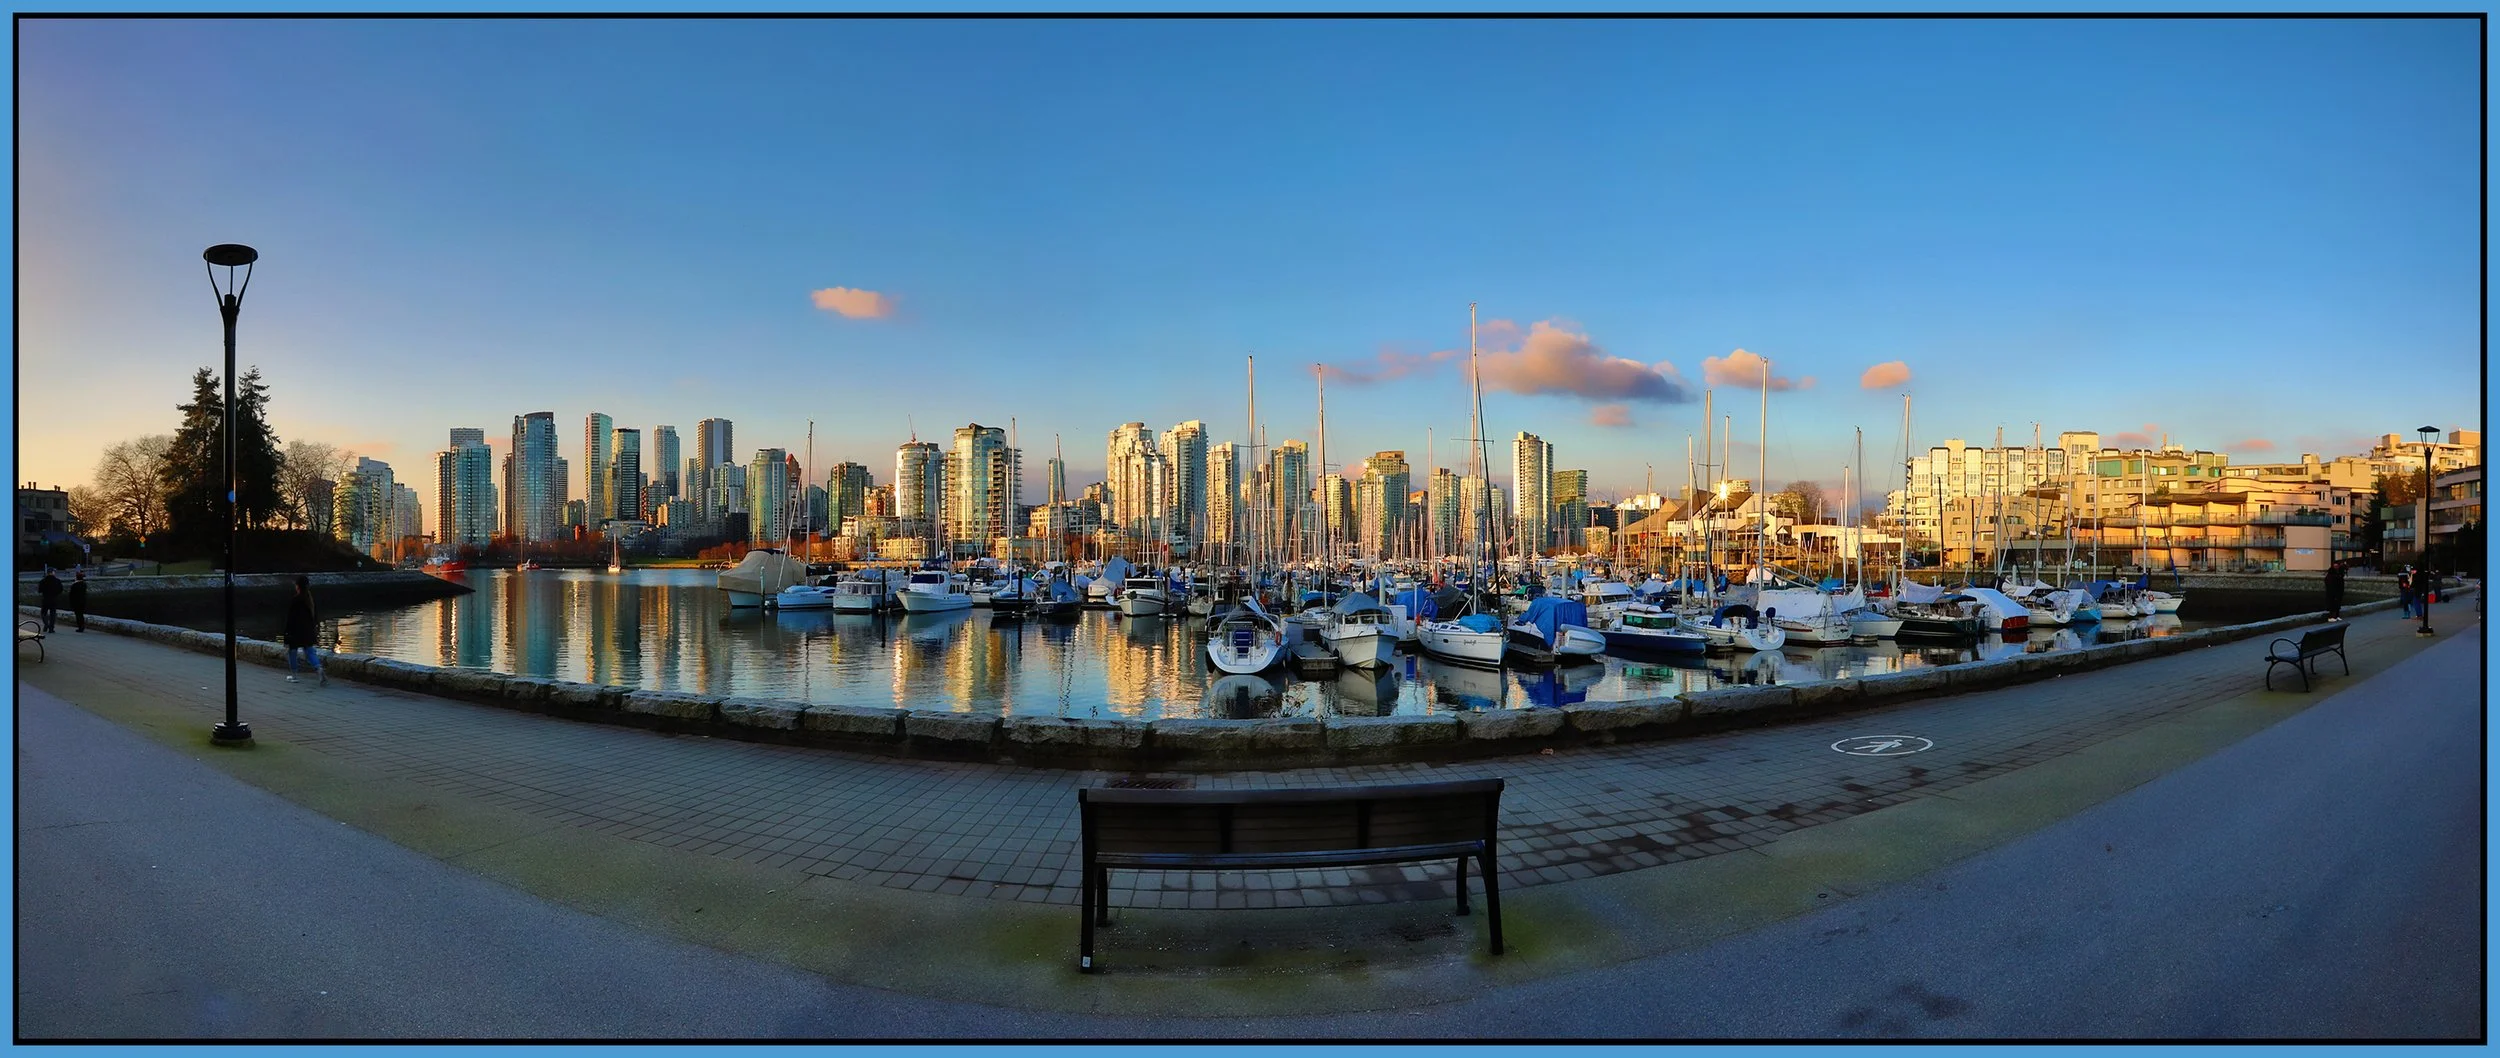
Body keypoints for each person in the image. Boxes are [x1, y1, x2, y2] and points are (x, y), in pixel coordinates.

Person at [282, 575, 326, 686]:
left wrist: (286, 634)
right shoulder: (310, 600)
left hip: (296, 631)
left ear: (298, 586)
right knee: (309, 651)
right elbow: (315, 617)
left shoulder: (295, 600)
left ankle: (294, 675)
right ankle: (319, 668)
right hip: (308, 630)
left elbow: (290, 618)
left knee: (292, 652)